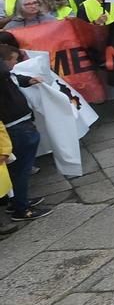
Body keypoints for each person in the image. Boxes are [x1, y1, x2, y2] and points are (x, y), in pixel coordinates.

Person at [0, 42, 48, 221]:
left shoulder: (7, 77)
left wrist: (28, 80)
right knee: (21, 170)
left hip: (19, 125)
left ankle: (17, 201)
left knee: (16, 169)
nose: (15, 64)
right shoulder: (2, 74)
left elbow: (13, 78)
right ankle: (22, 209)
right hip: (16, 127)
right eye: (12, 60)